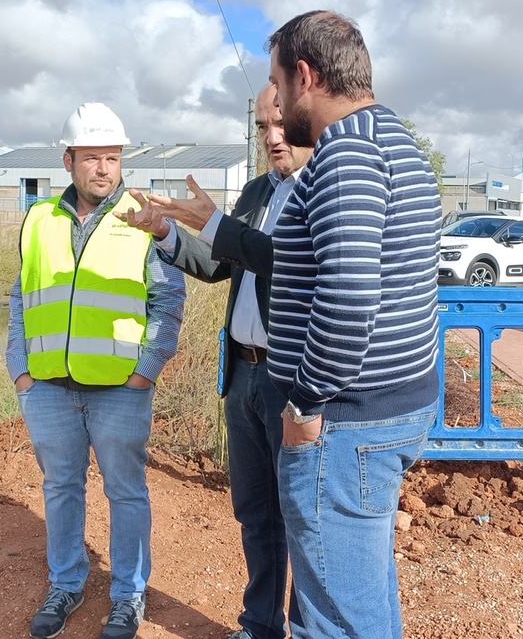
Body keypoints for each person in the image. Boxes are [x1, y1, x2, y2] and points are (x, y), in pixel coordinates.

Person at [265, 11, 442, 639]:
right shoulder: (391, 138)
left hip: (346, 419)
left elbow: (348, 298)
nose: (279, 101)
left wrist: (306, 401)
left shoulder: (346, 154)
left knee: (334, 616)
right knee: (362, 592)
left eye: (279, 83)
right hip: (386, 405)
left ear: (306, 75)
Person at [117, 83, 311, 639]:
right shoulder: (256, 192)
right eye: (261, 128)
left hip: (290, 378)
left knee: (300, 516)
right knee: (255, 512)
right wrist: (166, 232)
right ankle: (260, 625)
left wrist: (218, 226)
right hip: (244, 372)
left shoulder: (321, 191)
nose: (273, 138)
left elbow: (286, 262)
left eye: (281, 124)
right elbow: (222, 263)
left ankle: (304, 628)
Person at [5, 102, 185, 639]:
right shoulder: (38, 218)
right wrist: (20, 368)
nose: (104, 169)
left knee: (125, 491)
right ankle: (66, 585)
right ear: (68, 161)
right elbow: (21, 295)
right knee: (61, 487)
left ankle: (127, 596)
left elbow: (168, 300)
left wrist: (145, 371)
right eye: (91, 158)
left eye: (112, 157)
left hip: (119, 391)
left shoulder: (142, 215)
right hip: (47, 389)